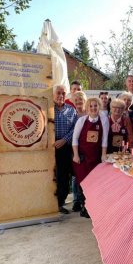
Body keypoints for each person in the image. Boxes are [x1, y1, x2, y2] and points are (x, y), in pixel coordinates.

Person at [72, 98, 109, 218]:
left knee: (95, 184)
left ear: (98, 107)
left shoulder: (103, 121)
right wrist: (76, 155)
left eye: (95, 106)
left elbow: (104, 140)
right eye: (91, 106)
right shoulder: (81, 121)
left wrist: (103, 155)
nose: (93, 108)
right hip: (82, 158)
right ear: (87, 108)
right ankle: (84, 206)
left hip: (95, 158)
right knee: (82, 183)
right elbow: (75, 139)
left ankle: (92, 207)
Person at [54, 84, 78, 214]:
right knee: (51, 177)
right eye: (58, 93)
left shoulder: (71, 110)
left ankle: (60, 203)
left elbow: (75, 128)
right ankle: (48, 205)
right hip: (50, 148)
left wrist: (64, 140)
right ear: (53, 94)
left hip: (65, 147)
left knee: (63, 177)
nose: (61, 96)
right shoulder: (48, 108)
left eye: (63, 93)